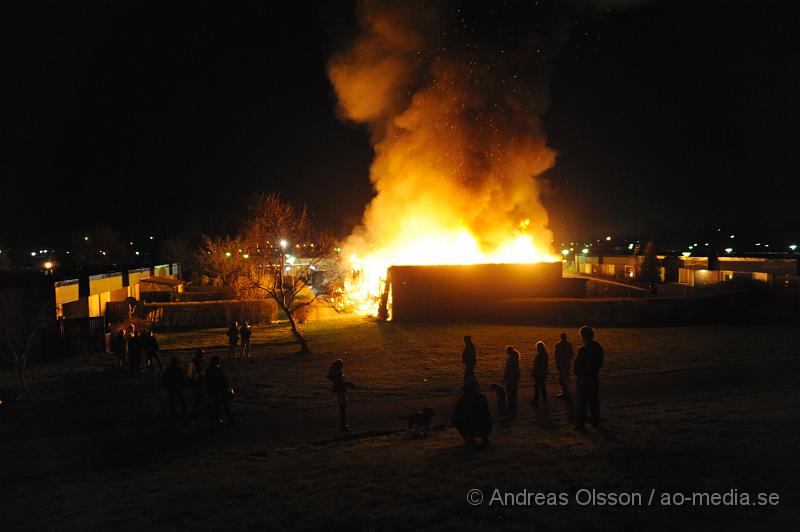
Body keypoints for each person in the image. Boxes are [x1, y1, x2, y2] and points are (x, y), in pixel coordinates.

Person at [574, 325, 605, 430]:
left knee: (583, 403)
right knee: (593, 402)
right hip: (592, 378)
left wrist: (582, 375)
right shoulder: (597, 348)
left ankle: (581, 424)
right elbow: (599, 363)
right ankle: (594, 424)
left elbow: (579, 364)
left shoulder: (584, 350)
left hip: (586, 378)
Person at [452, 381, 492, 447]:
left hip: (470, 426)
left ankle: (468, 437)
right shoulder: (482, 398)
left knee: (457, 420)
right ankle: (484, 437)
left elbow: (457, 414)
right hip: (484, 426)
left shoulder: (462, 400)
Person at [327, 359, 356, 432]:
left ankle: (343, 425)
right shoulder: (338, 373)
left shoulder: (334, 372)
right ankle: (343, 427)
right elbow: (340, 383)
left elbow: (331, 378)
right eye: (342, 365)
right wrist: (349, 384)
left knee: (342, 409)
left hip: (339, 391)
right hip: (341, 391)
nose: (343, 366)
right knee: (343, 409)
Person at [205, 356, 236, 424]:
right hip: (220, 390)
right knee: (223, 406)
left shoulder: (208, 370)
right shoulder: (218, 370)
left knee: (217, 406)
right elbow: (224, 380)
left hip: (214, 390)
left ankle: (215, 420)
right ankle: (228, 419)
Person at [163, 357, 186, 424]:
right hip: (178, 388)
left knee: (173, 402)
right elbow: (182, 379)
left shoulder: (168, 370)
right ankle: (182, 413)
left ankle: (173, 414)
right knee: (181, 401)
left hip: (172, 388)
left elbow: (165, 380)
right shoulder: (178, 370)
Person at [186, 348, 206, 418]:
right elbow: (191, 374)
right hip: (197, 381)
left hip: (197, 381)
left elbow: (189, 374)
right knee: (198, 396)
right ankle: (197, 410)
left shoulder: (194, 362)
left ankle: (197, 409)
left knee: (197, 396)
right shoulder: (196, 362)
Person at [555, 332, 574, 399]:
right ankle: (565, 391)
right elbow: (571, 354)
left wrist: (558, 363)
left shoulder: (558, 345)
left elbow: (556, 356)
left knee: (563, 379)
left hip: (562, 364)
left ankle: (565, 392)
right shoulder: (568, 345)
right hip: (566, 364)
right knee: (564, 378)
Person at [503, 346, 520, 418]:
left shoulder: (512, 359)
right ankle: (512, 401)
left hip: (511, 377)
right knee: (513, 390)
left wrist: (507, 374)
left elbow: (510, 368)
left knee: (510, 390)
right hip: (513, 376)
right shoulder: (514, 358)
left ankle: (511, 403)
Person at [532, 341, 548, 407]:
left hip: (539, 373)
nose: (537, 348)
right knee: (541, 387)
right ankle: (543, 400)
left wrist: (534, 372)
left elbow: (537, 365)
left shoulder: (540, 354)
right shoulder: (544, 354)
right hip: (542, 373)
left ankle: (537, 400)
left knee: (538, 387)